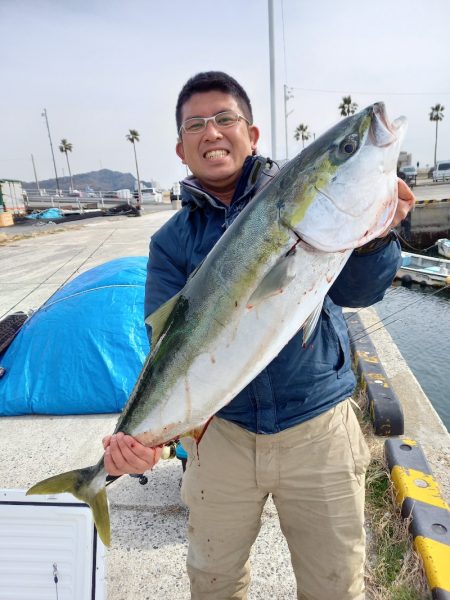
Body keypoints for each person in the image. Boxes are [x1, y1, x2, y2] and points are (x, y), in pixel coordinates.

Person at [103, 71, 415, 599]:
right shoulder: (170, 242)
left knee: (335, 585)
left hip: (318, 427)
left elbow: (361, 291)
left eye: (225, 118)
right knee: (213, 582)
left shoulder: (294, 199)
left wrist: (373, 237)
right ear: (181, 149)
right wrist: (133, 437)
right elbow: (170, 351)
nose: (212, 131)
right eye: (196, 124)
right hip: (219, 438)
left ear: (253, 133)